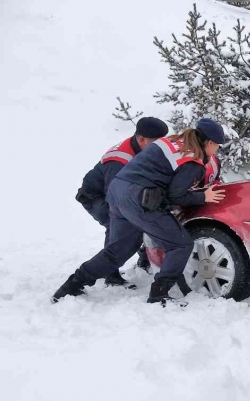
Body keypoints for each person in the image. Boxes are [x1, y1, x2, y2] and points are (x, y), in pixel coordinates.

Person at [52, 119, 228, 305]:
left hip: (117, 193)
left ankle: (71, 286)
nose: (216, 150)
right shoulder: (192, 160)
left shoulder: (172, 141)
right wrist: (203, 197)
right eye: (217, 146)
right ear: (209, 143)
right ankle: (159, 294)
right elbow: (176, 195)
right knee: (180, 244)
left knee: (117, 251)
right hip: (140, 200)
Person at [75, 117, 169, 286]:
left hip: (116, 192)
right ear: (141, 139)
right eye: (156, 143)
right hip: (96, 197)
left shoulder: (143, 149)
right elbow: (115, 197)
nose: (160, 147)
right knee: (118, 227)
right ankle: (110, 275)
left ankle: (144, 259)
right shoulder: (120, 160)